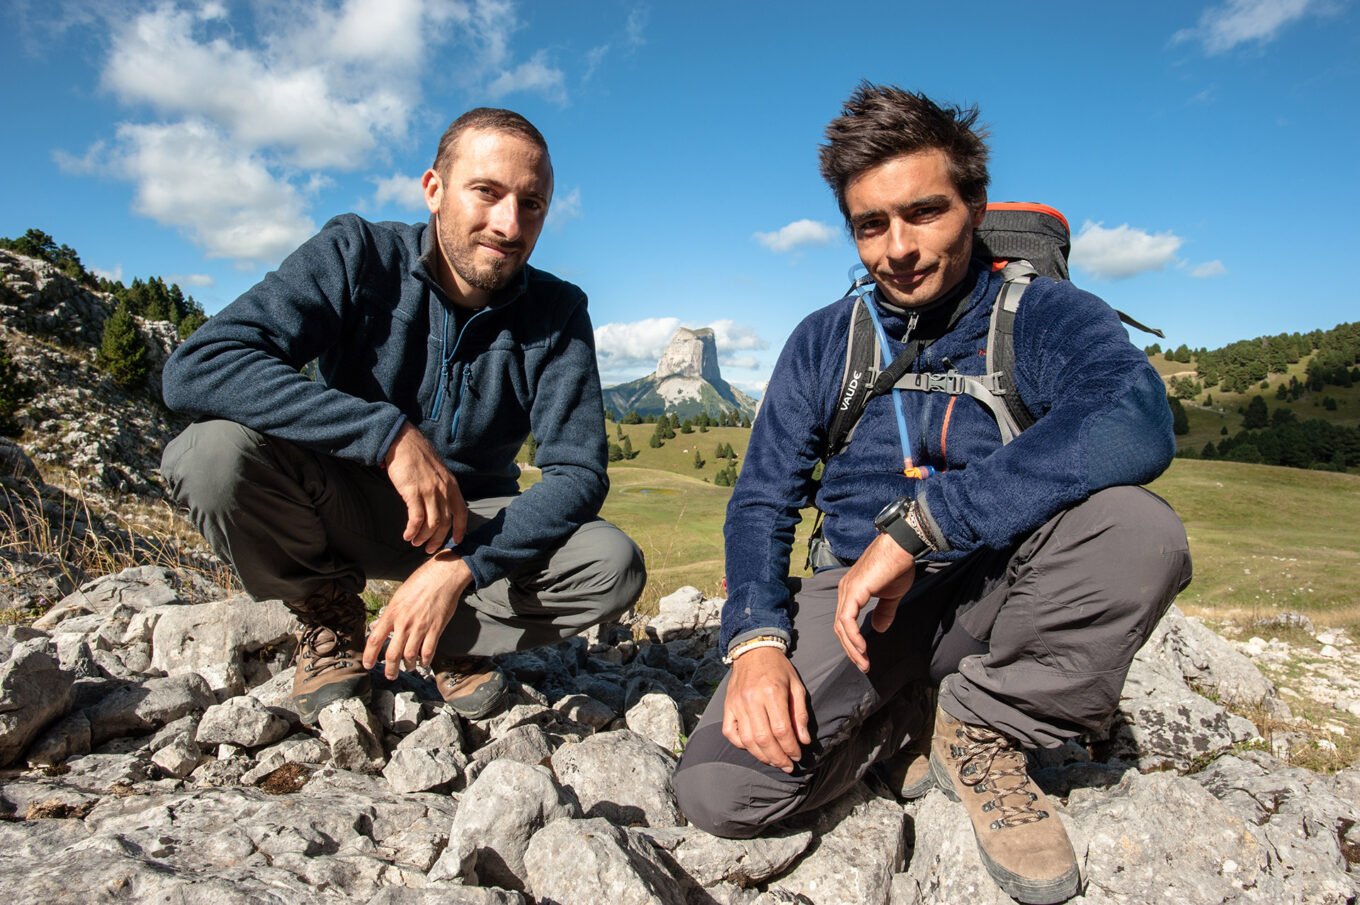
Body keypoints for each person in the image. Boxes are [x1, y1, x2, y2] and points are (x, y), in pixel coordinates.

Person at [674, 84, 1191, 905]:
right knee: (720, 793)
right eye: (870, 225)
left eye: (925, 213)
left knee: (1140, 531)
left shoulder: (1045, 315)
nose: (898, 248)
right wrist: (757, 642)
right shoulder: (824, 339)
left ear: (975, 205)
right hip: (854, 605)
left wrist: (929, 522)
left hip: (997, 593)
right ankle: (900, 717)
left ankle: (986, 727)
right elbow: (763, 499)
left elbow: (1135, 419)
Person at [160, 108, 645, 725]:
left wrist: (462, 567)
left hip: (475, 524)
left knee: (611, 563)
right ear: (434, 190)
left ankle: (451, 637)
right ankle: (327, 612)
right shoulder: (357, 254)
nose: (509, 224)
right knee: (209, 455)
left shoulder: (558, 311)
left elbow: (577, 472)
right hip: (347, 504)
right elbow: (198, 367)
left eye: (532, 204)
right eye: (487, 192)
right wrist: (386, 435)